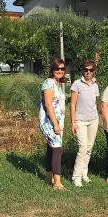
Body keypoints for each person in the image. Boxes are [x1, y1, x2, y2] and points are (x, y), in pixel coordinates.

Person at [70, 59, 100, 187]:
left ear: (94, 72)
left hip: (93, 119)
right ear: (83, 71)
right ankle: (75, 176)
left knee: (89, 148)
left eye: (91, 70)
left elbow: (94, 103)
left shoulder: (95, 85)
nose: (88, 72)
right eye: (86, 70)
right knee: (82, 148)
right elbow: (72, 104)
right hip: (80, 121)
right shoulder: (77, 84)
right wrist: (72, 122)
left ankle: (84, 174)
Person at [39, 57, 67, 191]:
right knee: (57, 150)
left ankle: (48, 176)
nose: (60, 71)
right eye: (57, 68)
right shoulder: (49, 83)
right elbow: (48, 104)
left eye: (62, 69)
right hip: (49, 122)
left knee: (51, 149)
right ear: (52, 70)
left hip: (57, 122)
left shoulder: (57, 84)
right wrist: (55, 124)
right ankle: (57, 183)